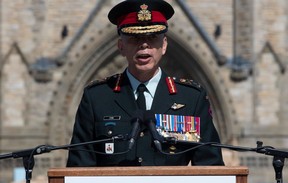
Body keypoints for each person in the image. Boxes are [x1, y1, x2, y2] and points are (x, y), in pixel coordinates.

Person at [66, 0, 224, 167]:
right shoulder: (97, 97)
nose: (144, 45)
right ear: (121, 46)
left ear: (164, 45)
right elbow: (79, 166)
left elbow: (210, 165)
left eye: (152, 38)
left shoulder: (191, 98)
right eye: (135, 38)